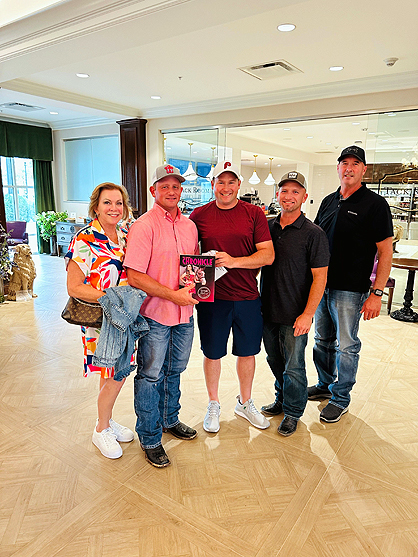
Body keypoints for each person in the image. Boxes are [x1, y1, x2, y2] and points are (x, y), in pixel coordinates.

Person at [309, 145, 393, 422]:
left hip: (350, 289)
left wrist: (376, 293)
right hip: (321, 285)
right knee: (322, 340)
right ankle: (325, 384)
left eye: (355, 163)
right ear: (338, 168)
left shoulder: (375, 204)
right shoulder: (329, 201)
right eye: (344, 163)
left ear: (363, 169)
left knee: (347, 345)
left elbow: (385, 252)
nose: (349, 168)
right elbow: (315, 241)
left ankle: (340, 397)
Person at [189, 161, 274, 433]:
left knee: (247, 352)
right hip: (212, 298)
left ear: (239, 185)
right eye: (220, 182)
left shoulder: (254, 213)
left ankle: (245, 402)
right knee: (212, 353)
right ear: (213, 184)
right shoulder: (199, 215)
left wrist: (234, 262)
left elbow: (268, 255)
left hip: (247, 295)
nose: (225, 188)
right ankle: (213, 403)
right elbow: (188, 254)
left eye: (231, 182)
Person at [124, 164, 199, 468]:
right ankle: (150, 436)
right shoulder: (144, 226)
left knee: (175, 369)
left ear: (181, 190)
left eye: (176, 186)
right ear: (153, 190)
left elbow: (192, 267)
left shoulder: (190, 226)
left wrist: (199, 280)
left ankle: (170, 419)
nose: (171, 191)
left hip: (185, 313)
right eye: (164, 186)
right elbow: (134, 276)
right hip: (155, 315)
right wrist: (173, 295)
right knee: (150, 375)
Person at [66, 182, 135, 459]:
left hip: (126, 318)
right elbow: (74, 287)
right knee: (116, 372)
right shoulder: (85, 239)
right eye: (107, 202)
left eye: (119, 203)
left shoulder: (125, 235)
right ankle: (101, 429)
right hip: (100, 319)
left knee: (111, 372)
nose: (114, 208)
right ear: (96, 206)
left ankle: (106, 420)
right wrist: (110, 298)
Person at [260, 172, 329, 436]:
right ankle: (282, 398)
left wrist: (308, 314)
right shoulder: (267, 227)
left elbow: (320, 277)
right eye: (284, 191)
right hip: (267, 309)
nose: (289, 196)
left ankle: (293, 411)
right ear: (277, 195)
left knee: (294, 366)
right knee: (273, 358)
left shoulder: (314, 233)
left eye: (295, 191)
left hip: (295, 313)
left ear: (304, 196)